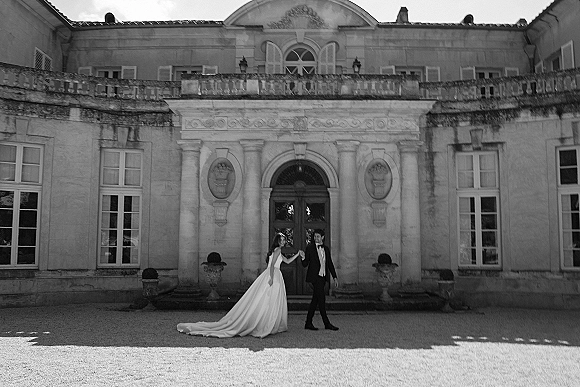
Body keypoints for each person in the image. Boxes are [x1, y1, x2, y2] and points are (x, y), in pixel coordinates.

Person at [177, 233, 304, 338]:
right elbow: (271, 266)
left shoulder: (277, 251)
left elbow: (286, 261)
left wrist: (297, 254)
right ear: (277, 241)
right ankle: (267, 324)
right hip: (273, 275)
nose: (283, 242)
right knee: (269, 299)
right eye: (281, 240)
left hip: (274, 274)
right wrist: (271, 278)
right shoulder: (278, 250)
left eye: (284, 240)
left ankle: (267, 322)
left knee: (267, 300)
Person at [301, 229, 339, 331]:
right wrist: (303, 257)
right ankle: (327, 323)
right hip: (314, 277)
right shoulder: (310, 248)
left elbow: (329, 264)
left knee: (315, 300)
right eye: (315, 236)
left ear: (322, 237)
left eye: (318, 236)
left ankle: (308, 322)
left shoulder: (326, 249)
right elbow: (305, 264)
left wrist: (334, 277)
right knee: (321, 300)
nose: (316, 238)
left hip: (323, 277)